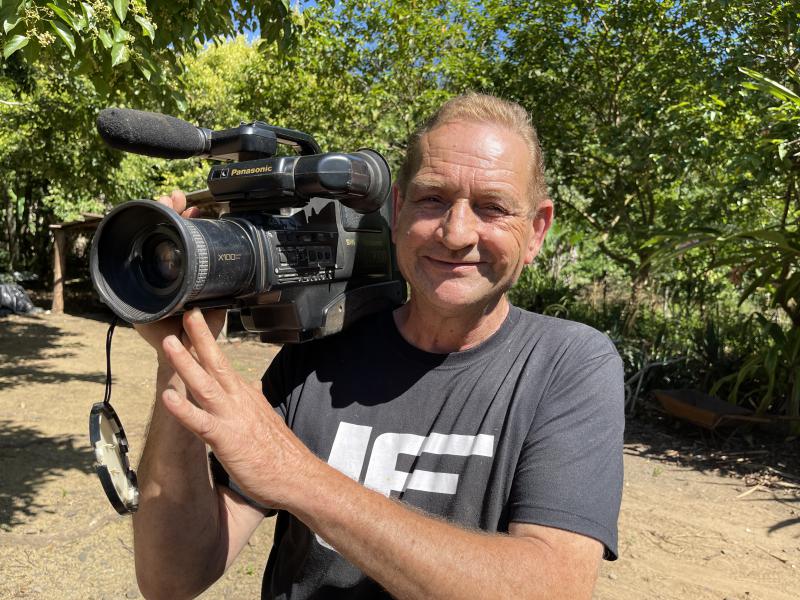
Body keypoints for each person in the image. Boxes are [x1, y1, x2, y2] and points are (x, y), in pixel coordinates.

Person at [131, 93, 624, 599]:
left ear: (537, 230)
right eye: (432, 198)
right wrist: (179, 358)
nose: (456, 233)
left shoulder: (567, 364)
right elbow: (173, 579)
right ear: (398, 207)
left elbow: (553, 587)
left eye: (492, 208)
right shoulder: (316, 356)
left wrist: (296, 475)